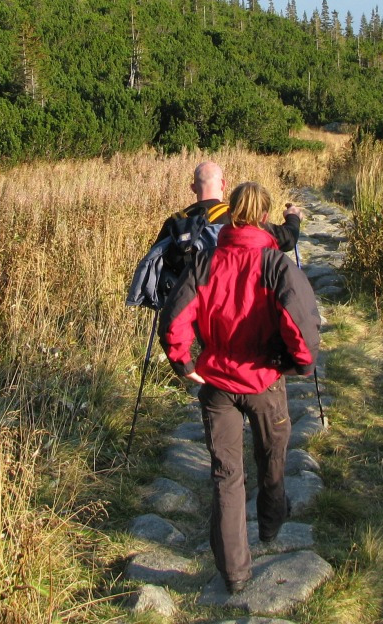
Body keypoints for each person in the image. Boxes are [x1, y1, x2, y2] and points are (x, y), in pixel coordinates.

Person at [159, 181, 321, 594]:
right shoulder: (275, 264)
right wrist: (298, 364)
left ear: (231, 213)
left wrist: (183, 363)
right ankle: (270, 525)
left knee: (226, 475)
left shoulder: (206, 261)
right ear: (265, 216)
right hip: (264, 380)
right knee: (272, 457)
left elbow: (174, 317)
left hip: (217, 383)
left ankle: (234, 573)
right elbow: (301, 324)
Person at [151, 160, 304, 255]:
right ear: (224, 184)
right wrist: (293, 217)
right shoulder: (238, 216)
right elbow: (288, 239)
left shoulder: (175, 222)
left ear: (193, 188)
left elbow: (155, 258)